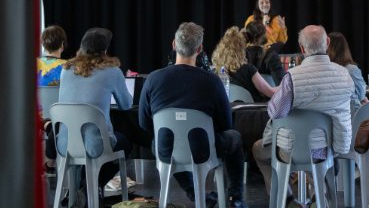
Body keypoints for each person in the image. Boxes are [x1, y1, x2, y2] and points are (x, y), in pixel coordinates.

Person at [139, 22, 248, 208]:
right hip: (204, 150)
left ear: (174, 45)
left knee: (161, 142)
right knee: (234, 137)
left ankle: (194, 192)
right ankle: (235, 198)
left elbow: (144, 123)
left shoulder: (153, 79)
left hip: (167, 150)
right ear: (200, 49)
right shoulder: (212, 81)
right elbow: (226, 124)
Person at [252, 25, 354, 202]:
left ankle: (286, 199)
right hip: (327, 150)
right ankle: (318, 197)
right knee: (314, 146)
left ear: (301, 48)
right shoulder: (345, 75)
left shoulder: (292, 77)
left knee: (257, 149)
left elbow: (275, 113)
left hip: (292, 151)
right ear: (327, 43)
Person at [57, 27, 133, 202]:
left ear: (81, 48)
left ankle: (78, 192)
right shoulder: (112, 72)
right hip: (95, 146)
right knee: (125, 144)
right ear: (105, 51)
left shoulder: (65, 69)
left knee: (87, 138)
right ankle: (89, 188)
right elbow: (126, 105)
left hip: (65, 143)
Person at [212, 26, 278, 102]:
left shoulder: (217, 71)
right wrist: (284, 87)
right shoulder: (248, 69)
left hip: (229, 111)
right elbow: (271, 93)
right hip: (252, 111)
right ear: (241, 49)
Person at [328, 31, 368, 114]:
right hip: (352, 115)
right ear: (345, 48)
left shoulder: (324, 69)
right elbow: (361, 95)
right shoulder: (351, 69)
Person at [244, 19, 286, 85]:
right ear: (264, 35)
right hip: (268, 95)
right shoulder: (271, 57)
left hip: (241, 95)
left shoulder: (239, 56)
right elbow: (282, 86)